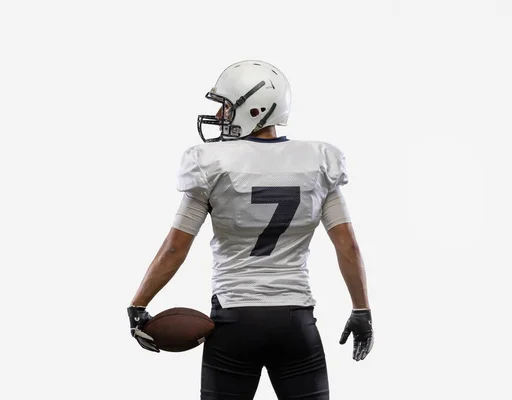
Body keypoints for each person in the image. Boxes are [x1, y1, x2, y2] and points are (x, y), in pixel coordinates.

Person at [127, 60, 374, 400]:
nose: (220, 117)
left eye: (226, 108)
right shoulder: (319, 162)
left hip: (235, 323)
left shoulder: (211, 163)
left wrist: (139, 304)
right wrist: (361, 310)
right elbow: (348, 247)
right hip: (296, 322)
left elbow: (174, 248)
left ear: (256, 109)